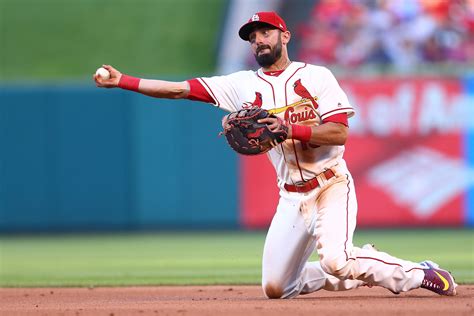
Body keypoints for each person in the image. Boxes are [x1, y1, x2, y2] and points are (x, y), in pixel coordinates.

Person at [94, 11, 457, 298]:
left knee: (335, 258)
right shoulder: (241, 85)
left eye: (265, 32)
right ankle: (356, 267)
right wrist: (123, 80)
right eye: (252, 37)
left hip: (331, 185)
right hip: (292, 197)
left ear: (285, 36)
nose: (258, 40)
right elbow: (177, 90)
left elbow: (340, 132)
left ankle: (417, 272)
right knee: (277, 288)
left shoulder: (316, 77)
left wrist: (290, 129)